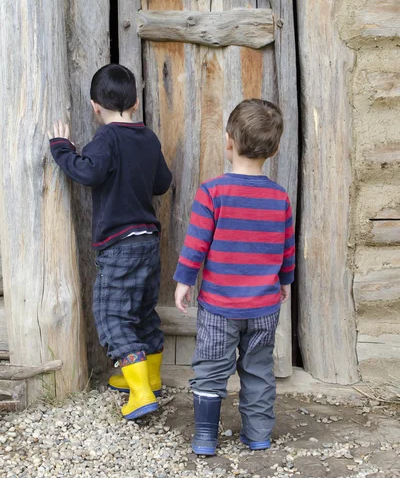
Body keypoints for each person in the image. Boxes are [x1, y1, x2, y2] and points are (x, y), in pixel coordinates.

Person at [48, 63, 172, 420]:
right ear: (135, 102)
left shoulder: (106, 139)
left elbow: (88, 172)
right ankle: (150, 376)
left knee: (112, 316)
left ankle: (141, 393)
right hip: (148, 241)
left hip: (119, 245)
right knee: (144, 313)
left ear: (94, 106)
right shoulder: (148, 137)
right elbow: (162, 182)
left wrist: (62, 150)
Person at [174, 99, 295, 455]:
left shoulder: (212, 192)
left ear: (228, 141)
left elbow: (196, 244)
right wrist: (285, 280)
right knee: (258, 371)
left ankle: (206, 438)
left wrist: (184, 281)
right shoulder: (279, 198)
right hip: (264, 307)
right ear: (273, 149)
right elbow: (286, 247)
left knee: (211, 370)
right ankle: (258, 435)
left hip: (218, 307)